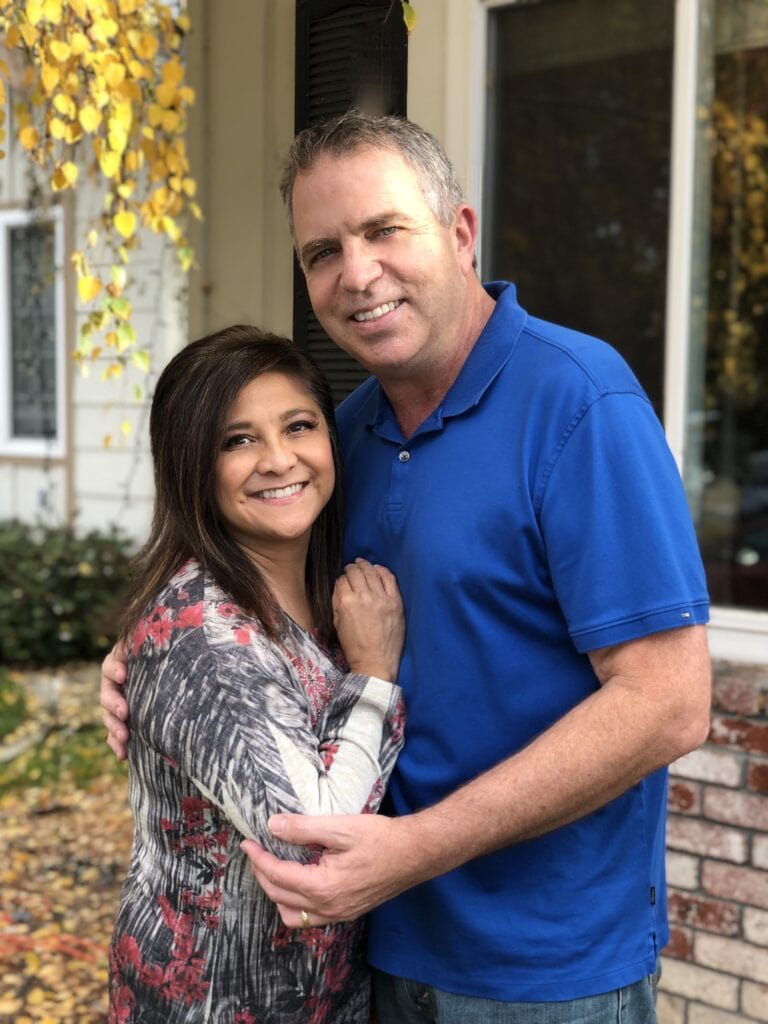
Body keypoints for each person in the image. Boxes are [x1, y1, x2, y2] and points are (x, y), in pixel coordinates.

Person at [103, 113, 712, 1023]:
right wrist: (141, 659)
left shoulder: (579, 402)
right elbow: (260, 611)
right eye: (323, 251)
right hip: (372, 952)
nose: (357, 273)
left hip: (544, 969)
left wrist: (415, 848)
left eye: (384, 229)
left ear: (459, 233)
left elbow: (669, 701)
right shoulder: (339, 437)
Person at [107, 324, 406, 1024]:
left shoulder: (323, 588)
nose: (278, 459)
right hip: (210, 1002)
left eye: (299, 426)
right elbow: (313, 843)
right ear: (190, 465)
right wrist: (373, 674)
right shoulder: (204, 636)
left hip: (321, 998)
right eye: (237, 440)